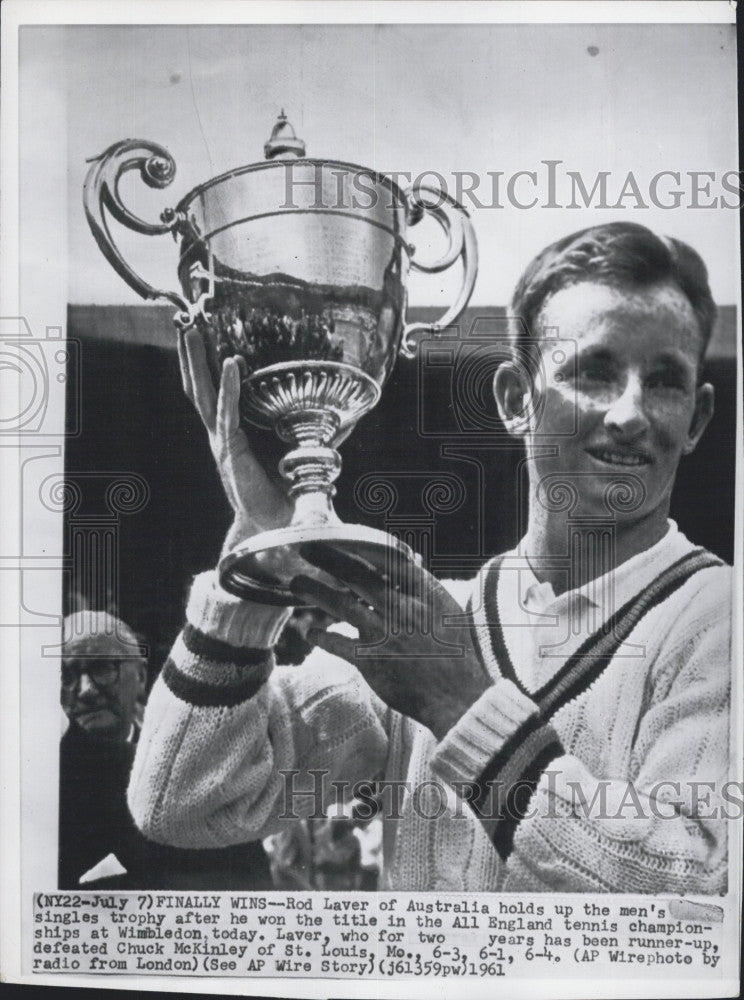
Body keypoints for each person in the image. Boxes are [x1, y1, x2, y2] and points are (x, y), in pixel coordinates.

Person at [128, 222, 733, 893]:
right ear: (514, 400)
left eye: (664, 382)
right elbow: (182, 803)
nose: (629, 413)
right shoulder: (428, 621)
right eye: (593, 371)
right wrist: (255, 566)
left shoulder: (718, 617)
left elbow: (697, 899)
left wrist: (460, 701)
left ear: (698, 419)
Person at [59, 610, 274, 890]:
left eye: (102, 669)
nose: (85, 690)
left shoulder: (198, 771)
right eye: (68, 676)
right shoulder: (47, 783)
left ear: (140, 676)